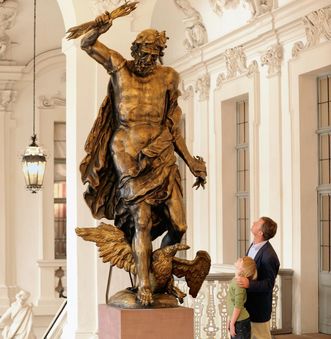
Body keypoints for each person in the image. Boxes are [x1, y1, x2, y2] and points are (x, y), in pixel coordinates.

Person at [75, 2, 207, 306]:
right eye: (145, 53)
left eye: (155, 54)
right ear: (135, 51)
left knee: (180, 225)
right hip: (128, 152)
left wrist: (191, 162)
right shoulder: (120, 67)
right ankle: (146, 283)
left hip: (160, 152)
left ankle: (162, 275)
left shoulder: (169, 77)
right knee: (142, 221)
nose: (150, 59)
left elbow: (172, 123)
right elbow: (87, 43)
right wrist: (101, 23)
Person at [236, 216, 280, 339]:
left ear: (260, 233)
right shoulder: (253, 245)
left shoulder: (269, 256)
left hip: (259, 308)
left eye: (257, 223)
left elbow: (269, 284)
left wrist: (249, 284)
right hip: (248, 305)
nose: (254, 222)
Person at [227, 256, 257, 339]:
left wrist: (232, 323)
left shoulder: (239, 283)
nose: (239, 258)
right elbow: (232, 302)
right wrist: (229, 320)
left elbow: (238, 306)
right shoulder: (235, 280)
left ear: (243, 269)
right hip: (237, 320)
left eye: (242, 260)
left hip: (241, 323)